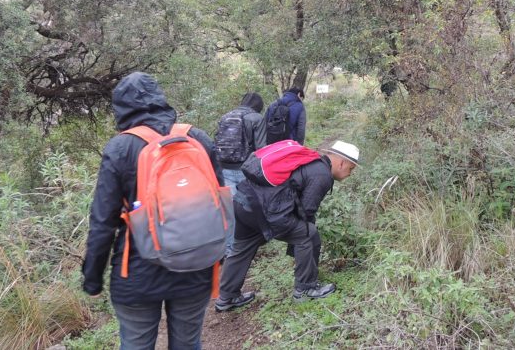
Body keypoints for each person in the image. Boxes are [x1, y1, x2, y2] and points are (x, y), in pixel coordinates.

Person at [82, 72, 224, 349]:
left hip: (137, 272)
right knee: (188, 343)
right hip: (196, 267)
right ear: (160, 99)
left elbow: (103, 222)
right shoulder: (197, 138)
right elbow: (219, 205)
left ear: (121, 108)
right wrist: (219, 256)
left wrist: (92, 279)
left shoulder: (121, 147)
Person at [214, 140, 360, 312]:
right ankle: (305, 288)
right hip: (263, 209)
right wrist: (299, 244)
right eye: (350, 169)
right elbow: (307, 211)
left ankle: (227, 297)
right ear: (341, 162)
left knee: (241, 248)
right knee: (308, 234)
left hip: (244, 201)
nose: (350, 173)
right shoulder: (322, 175)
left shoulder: (309, 161)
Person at [215, 92, 267, 191]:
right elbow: (261, 148)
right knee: (246, 203)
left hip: (224, 168)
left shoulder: (225, 117)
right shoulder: (257, 118)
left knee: (230, 203)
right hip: (246, 169)